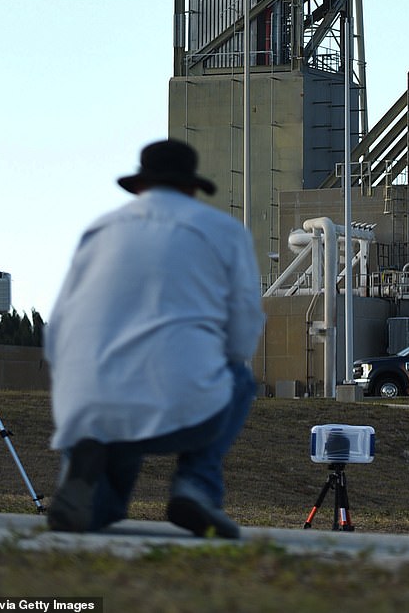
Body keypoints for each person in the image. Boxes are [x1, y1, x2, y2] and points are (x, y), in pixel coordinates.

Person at [44, 138, 264, 538]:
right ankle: (196, 487)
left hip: (86, 403)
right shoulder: (224, 231)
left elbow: (56, 327)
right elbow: (242, 335)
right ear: (192, 188)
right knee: (240, 378)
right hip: (181, 403)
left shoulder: (99, 229)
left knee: (104, 498)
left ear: (140, 186)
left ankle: (86, 482)